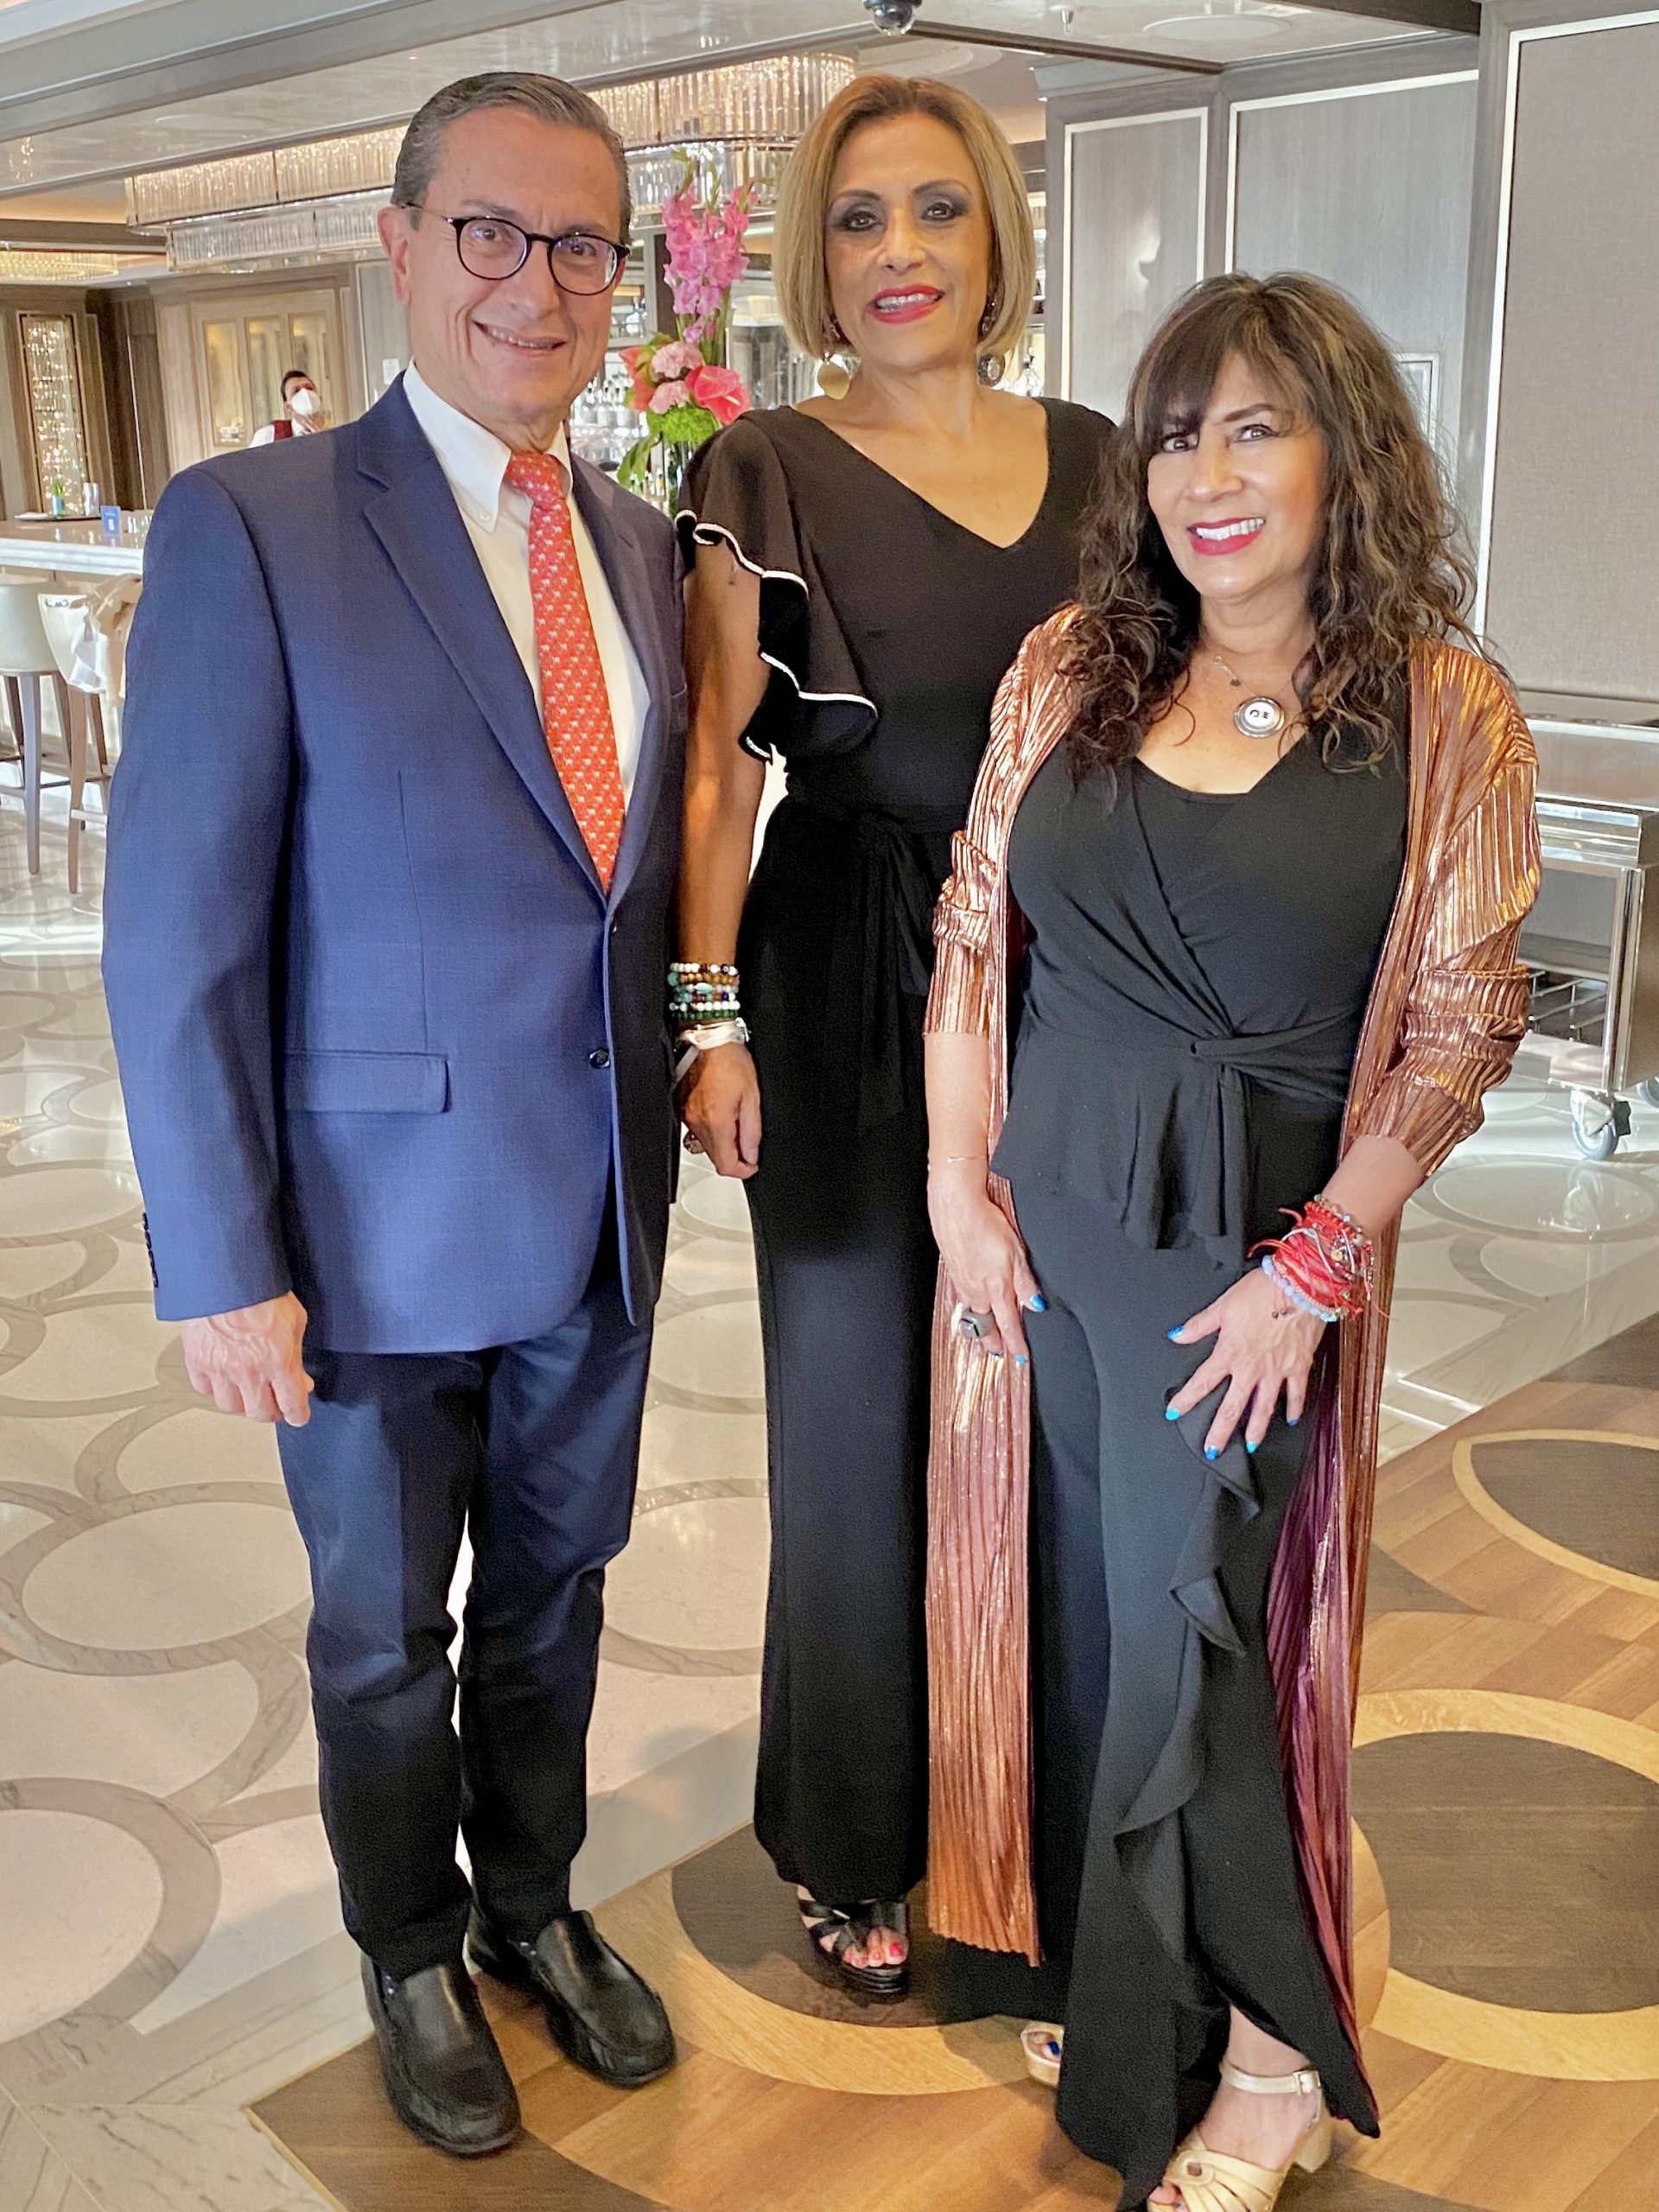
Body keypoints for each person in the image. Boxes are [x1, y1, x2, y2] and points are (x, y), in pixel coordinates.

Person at [103, 72, 683, 2158]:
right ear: (403, 245)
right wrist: (219, 1254)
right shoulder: (253, 527)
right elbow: (179, 927)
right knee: (379, 1633)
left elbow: (639, 881)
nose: (538, 284)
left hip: (598, 1206)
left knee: (559, 1593)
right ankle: (408, 1943)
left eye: (582, 243)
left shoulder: (640, 546)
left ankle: (530, 1900)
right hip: (362, 1229)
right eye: (491, 234)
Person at [923, 272, 1538, 2209]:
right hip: (1052, 1243)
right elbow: (973, 929)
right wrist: (954, 1185)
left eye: (1257, 428)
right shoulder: (1076, 665)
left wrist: (1317, 1269)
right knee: (1105, 1632)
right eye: (1179, 434)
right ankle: (1146, 2006)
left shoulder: (1440, 707)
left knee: (1218, 1644)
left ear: (1347, 454)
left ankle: (1272, 2069)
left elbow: (1465, 1024)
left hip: (1254, 1269)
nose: (1208, 474)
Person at [675, 72, 1113, 1999]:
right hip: (849, 965)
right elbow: (716, 767)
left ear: (996, 236)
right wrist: (708, 1018)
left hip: (1073, 971)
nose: (902, 252)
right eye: (859, 218)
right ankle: (851, 1827)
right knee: (859, 1419)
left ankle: (1034, 1805)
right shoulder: (765, 464)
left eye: (939, 208)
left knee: (1053, 1408)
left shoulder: (1104, 458)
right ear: (816, 258)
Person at [250, 368, 327, 443]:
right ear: (288, 407)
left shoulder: (331, 435)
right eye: (296, 391)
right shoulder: (267, 436)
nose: (305, 393)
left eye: (309, 388)